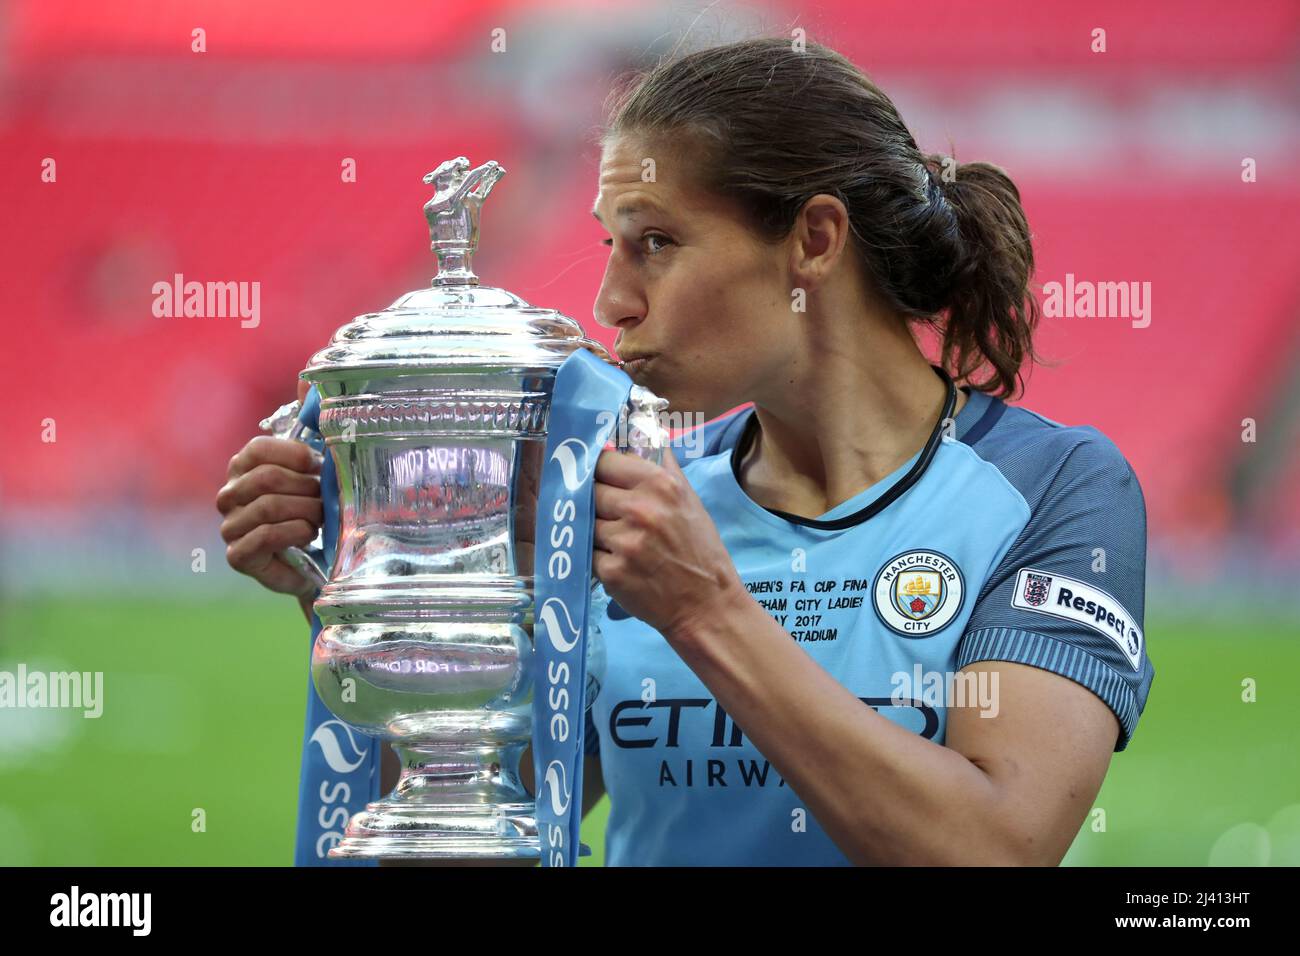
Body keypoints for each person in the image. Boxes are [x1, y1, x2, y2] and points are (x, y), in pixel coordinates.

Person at [218, 36, 1152, 866]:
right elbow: (490, 821)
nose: (611, 303)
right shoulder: (628, 490)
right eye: (611, 246)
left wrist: (704, 610)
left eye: (656, 242)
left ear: (814, 242)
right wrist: (369, 582)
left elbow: (995, 845)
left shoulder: (1054, 487)